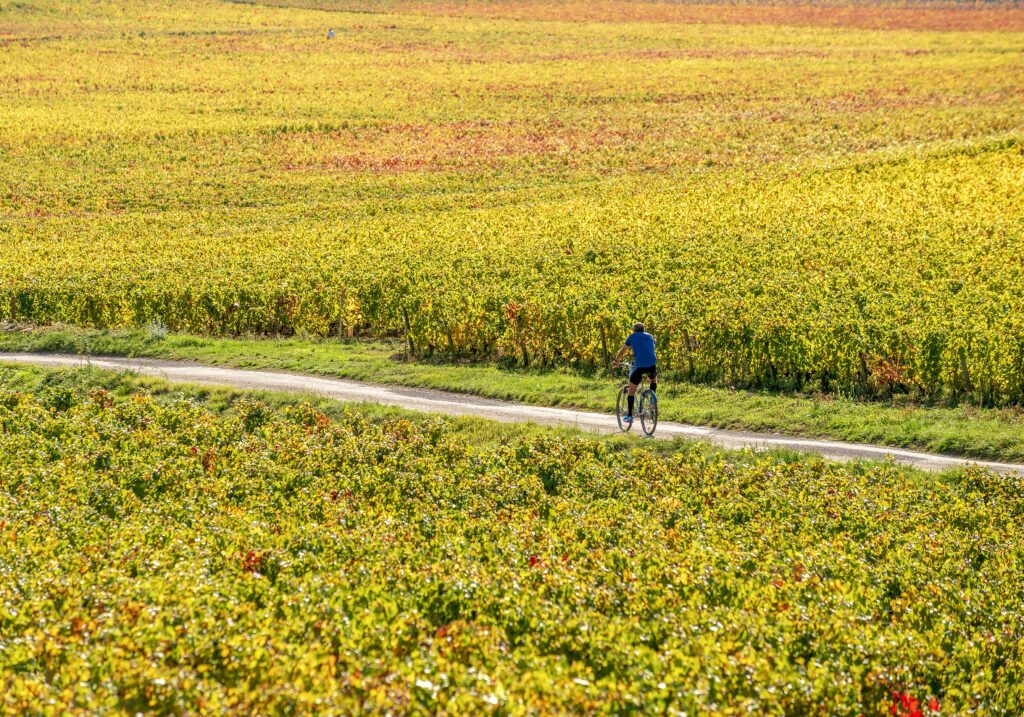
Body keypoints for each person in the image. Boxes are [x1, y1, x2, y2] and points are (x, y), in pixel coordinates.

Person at [612, 322, 657, 424]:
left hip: (639, 366)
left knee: (631, 391)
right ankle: (652, 400)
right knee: (653, 379)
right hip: (652, 365)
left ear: (634, 330)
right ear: (643, 330)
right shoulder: (650, 336)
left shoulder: (632, 337)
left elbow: (623, 350)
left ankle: (629, 415)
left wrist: (616, 361)